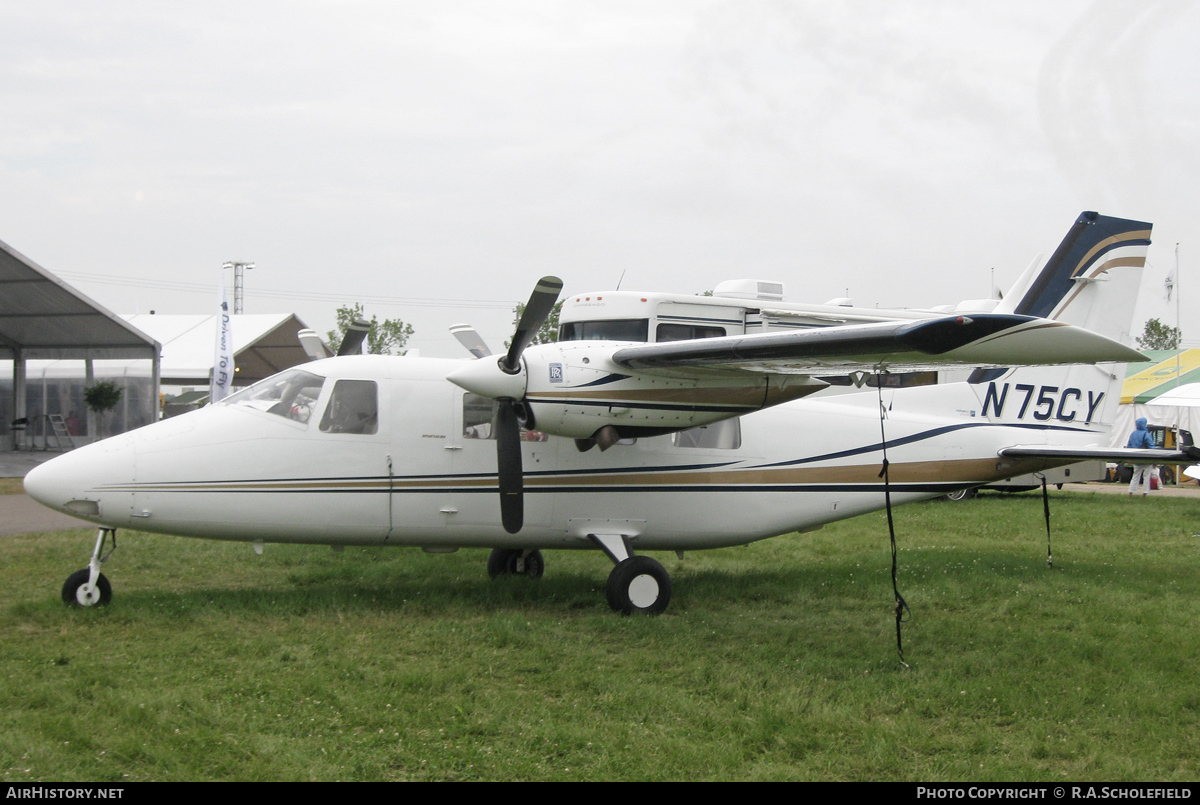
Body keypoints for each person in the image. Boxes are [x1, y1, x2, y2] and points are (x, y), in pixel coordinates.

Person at [1126, 417, 1156, 497]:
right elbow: (1151, 447)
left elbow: (1129, 445)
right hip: (1146, 459)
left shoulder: (1133, 434)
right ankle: (1144, 494)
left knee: (1135, 476)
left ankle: (1130, 493)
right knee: (1146, 477)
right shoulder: (1146, 434)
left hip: (1136, 458)